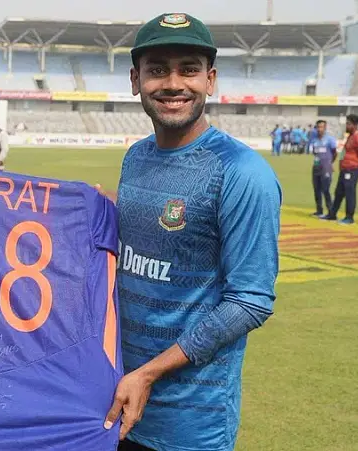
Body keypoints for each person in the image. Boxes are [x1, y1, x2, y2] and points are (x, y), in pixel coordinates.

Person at [104, 13, 281, 451]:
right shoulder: (136, 159)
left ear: (211, 79)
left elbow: (250, 301)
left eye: (188, 69)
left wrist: (147, 373)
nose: (173, 83)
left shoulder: (241, 173)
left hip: (191, 427)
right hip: (115, 405)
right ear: (135, 80)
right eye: (157, 70)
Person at [323, 114, 358, 225]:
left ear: (355, 125)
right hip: (345, 169)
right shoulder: (350, 136)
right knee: (339, 192)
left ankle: (349, 217)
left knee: (349, 193)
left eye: (348, 124)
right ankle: (332, 214)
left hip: (352, 169)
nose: (346, 126)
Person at [309, 120, 338, 217]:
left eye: (321, 127)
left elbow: (335, 153)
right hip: (316, 167)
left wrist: (330, 163)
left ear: (325, 128)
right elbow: (314, 152)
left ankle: (330, 211)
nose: (319, 129)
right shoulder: (314, 140)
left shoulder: (330, 139)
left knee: (326, 189)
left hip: (326, 168)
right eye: (318, 127)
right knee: (316, 189)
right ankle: (319, 210)